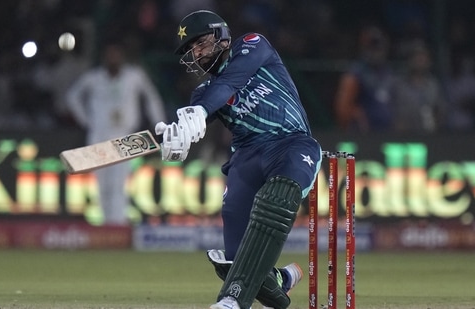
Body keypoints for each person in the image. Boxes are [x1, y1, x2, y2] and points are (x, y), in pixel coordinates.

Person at [154, 10, 322, 309]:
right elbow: (200, 121)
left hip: (290, 143)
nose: (196, 53)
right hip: (246, 159)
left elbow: (229, 84)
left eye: (200, 43)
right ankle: (278, 281)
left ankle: (233, 301)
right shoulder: (203, 94)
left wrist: (200, 112)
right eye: (191, 50)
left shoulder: (253, 45)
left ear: (221, 37)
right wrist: (176, 135)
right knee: (234, 260)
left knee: (277, 197)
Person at [66, 39, 166, 226]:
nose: (113, 58)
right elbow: (72, 97)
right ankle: (106, 225)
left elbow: (151, 98)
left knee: (119, 182)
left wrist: (160, 124)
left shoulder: (134, 76)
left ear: (122, 56)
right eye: (109, 55)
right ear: (104, 58)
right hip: (99, 134)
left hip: (125, 134)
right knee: (103, 184)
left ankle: (118, 226)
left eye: (116, 54)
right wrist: (86, 120)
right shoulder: (94, 78)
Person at [334, 25, 396, 132]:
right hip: (363, 135)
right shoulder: (356, 73)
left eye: (379, 47)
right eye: (372, 47)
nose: (377, 51)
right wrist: (356, 115)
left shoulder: (388, 73)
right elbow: (343, 108)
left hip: (389, 133)